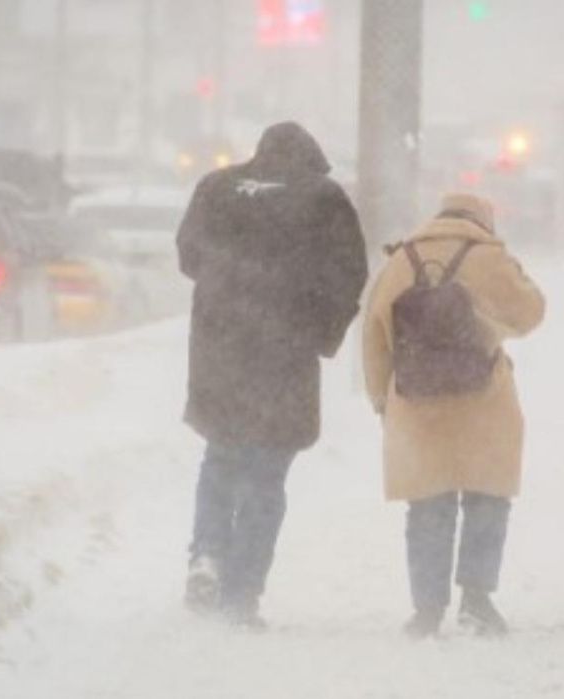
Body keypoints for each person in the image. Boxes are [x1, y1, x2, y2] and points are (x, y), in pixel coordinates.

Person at [177, 122, 368, 628]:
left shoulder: (216, 187)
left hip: (219, 351)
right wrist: (319, 332)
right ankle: (242, 595)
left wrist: (227, 296)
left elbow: (188, 257)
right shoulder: (323, 198)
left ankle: (207, 555)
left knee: (220, 454)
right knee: (266, 472)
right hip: (284, 357)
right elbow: (350, 273)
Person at [362, 193, 545, 638]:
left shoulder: (402, 260)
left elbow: (374, 337)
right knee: (486, 500)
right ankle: (477, 602)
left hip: (418, 406)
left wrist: (383, 402)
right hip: (483, 402)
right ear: (483, 220)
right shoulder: (489, 257)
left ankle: (427, 609)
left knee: (428, 505)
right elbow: (532, 311)